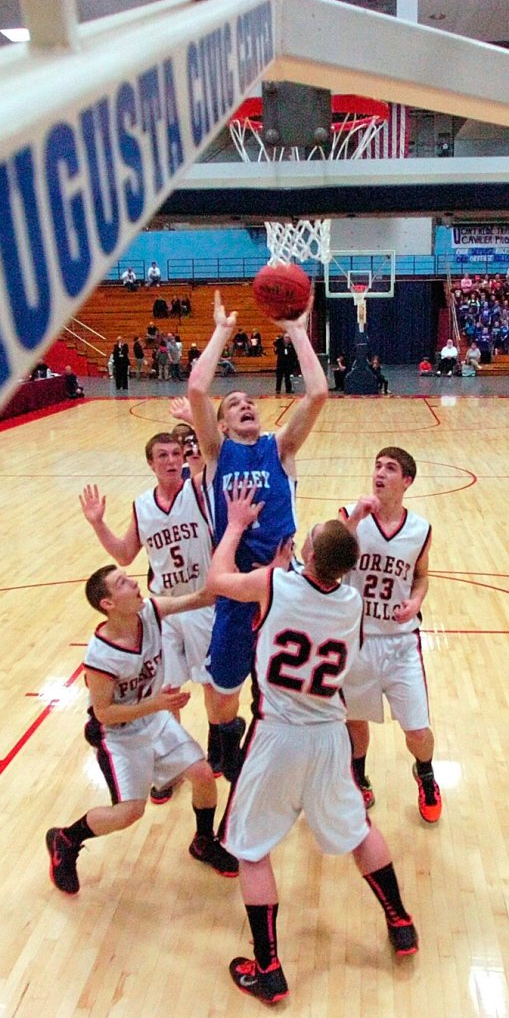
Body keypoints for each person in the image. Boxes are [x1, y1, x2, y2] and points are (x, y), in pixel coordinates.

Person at [206, 485, 418, 1003]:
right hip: (328, 737)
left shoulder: (273, 584)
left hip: (276, 736)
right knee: (359, 831)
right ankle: (401, 921)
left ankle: (269, 967)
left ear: (306, 555)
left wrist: (234, 525)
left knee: (251, 850)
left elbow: (215, 580)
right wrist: (354, 521)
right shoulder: (352, 604)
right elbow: (333, 558)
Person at [188, 290, 327, 782]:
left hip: (283, 587)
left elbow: (317, 394)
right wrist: (222, 333)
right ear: (223, 423)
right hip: (234, 588)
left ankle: (277, 759)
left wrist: (295, 331)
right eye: (235, 404)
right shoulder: (214, 452)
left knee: (284, 687)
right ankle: (224, 742)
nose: (245, 405)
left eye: (250, 402)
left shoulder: (280, 447)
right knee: (223, 692)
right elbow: (197, 392)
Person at [45, 564, 238, 894]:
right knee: (129, 812)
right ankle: (66, 838)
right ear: (108, 603)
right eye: (122, 583)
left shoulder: (150, 610)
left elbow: (201, 597)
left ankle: (203, 841)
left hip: (154, 716)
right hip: (119, 735)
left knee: (203, 774)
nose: (133, 583)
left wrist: (232, 547)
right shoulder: (101, 656)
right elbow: (104, 713)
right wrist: (158, 705)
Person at [80, 431, 223, 789]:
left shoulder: (200, 491)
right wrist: (98, 524)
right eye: (162, 456)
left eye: (176, 453)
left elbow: (210, 452)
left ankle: (214, 749)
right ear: (150, 464)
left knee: (210, 685)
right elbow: (126, 555)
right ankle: (169, 762)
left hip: (201, 600)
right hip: (162, 609)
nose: (172, 461)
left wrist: (194, 419)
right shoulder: (142, 504)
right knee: (167, 689)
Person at [339, 447, 442, 824]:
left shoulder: (420, 530)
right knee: (354, 721)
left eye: (391, 468)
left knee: (417, 728)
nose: (380, 473)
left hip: (400, 641)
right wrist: (352, 522)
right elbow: (322, 558)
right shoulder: (353, 516)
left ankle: (426, 774)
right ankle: (357, 776)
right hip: (358, 639)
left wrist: (416, 601)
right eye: (377, 466)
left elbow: (421, 575)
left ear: (407, 481)